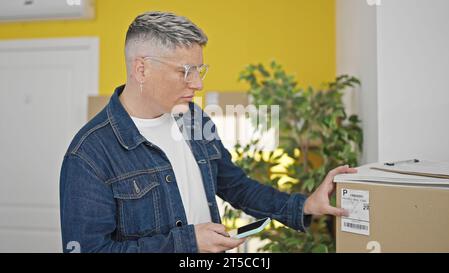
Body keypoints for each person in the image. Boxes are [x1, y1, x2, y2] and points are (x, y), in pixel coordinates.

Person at [59, 11, 356, 253]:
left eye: (200, 70)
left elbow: (235, 185)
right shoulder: (88, 154)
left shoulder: (191, 118)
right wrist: (188, 243)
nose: (198, 84)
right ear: (141, 70)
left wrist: (304, 204)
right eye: (185, 71)